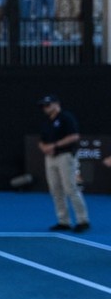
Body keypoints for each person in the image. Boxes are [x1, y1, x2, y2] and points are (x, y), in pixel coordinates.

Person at [37, 94, 89, 232]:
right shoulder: (47, 121)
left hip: (65, 156)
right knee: (55, 189)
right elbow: (41, 140)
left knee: (70, 188)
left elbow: (74, 136)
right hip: (50, 158)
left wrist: (55, 145)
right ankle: (63, 220)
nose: (45, 108)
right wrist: (44, 148)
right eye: (44, 106)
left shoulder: (66, 118)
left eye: (48, 105)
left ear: (56, 104)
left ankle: (82, 220)